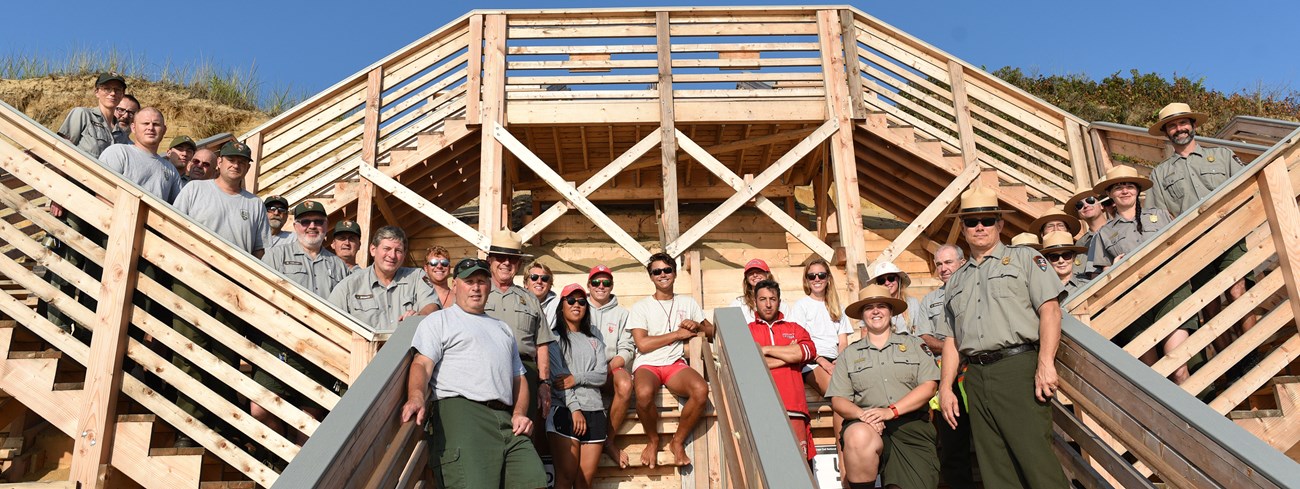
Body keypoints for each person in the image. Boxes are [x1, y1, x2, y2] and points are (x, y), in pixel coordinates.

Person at [936, 185, 1069, 489]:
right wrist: (945, 387)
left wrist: (1045, 362)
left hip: (1017, 367)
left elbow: (1050, 311)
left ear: (1000, 224)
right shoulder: (956, 280)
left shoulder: (1025, 259)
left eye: (986, 220)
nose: (979, 227)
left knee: (1036, 461)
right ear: (964, 228)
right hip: (975, 377)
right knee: (996, 469)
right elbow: (953, 339)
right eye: (971, 222)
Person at [401, 258, 548, 489]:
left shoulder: (503, 328)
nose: (476, 287)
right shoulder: (440, 320)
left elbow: (518, 378)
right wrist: (417, 396)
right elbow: (421, 364)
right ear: (455, 285)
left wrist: (519, 413)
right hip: (462, 414)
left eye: (481, 281)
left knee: (534, 481)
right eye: (469, 281)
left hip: (505, 419)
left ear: (489, 286)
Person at [169, 139, 269, 447]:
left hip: (233, 289)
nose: (235, 164)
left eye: (242, 161)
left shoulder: (254, 204)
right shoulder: (196, 190)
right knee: (189, 349)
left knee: (224, 355)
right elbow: (172, 228)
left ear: (248, 167)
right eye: (230, 159)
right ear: (220, 162)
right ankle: (189, 424)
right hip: (193, 282)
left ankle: (220, 423)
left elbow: (260, 250)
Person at [1146, 102, 1257, 345]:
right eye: (1172, 126)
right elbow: (1158, 216)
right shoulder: (1160, 173)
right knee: (1209, 304)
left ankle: (1252, 351)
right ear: (1166, 133)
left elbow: (1247, 186)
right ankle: (1232, 368)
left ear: (1193, 125)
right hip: (1192, 246)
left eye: (1183, 122)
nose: (1179, 129)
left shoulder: (1222, 155)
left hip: (1229, 234)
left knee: (1238, 290)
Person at [829, 284, 940, 489]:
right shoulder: (849, 354)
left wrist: (891, 412)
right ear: (862, 315)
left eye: (881, 306)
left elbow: (929, 387)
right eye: (869, 307)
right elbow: (838, 399)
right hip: (868, 425)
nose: (876, 311)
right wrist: (864, 416)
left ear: (890, 311)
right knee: (857, 435)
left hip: (910, 426)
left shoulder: (915, 345)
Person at [1092, 165, 1196, 382]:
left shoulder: (1159, 215)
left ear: (1138, 190)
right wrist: (1112, 270)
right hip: (1134, 303)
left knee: (1177, 366)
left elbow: (1180, 244)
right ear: (1110, 194)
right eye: (1118, 187)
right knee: (1152, 375)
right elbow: (1098, 275)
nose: (1124, 191)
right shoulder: (1103, 234)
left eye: (1129, 185)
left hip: (1170, 293)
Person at [258, 200, 349, 441]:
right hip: (281, 343)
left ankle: (291, 470)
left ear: (326, 226)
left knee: (308, 418)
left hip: (321, 349)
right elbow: (263, 294)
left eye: (318, 222)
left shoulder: (338, 265)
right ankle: (277, 456)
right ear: (296, 226)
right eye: (306, 222)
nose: (312, 227)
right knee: (260, 406)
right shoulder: (277, 255)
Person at [628, 252, 713, 468]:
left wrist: (698, 326)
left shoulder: (688, 301)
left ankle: (677, 442)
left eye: (667, 270)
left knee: (701, 390)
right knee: (644, 393)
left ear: (674, 273)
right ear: (651, 276)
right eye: (657, 271)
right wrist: (677, 335)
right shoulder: (641, 307)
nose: (662, 275)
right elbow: (643, 344)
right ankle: (653, 439)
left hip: (674, 364)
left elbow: (711, 331)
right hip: (648, 364)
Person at [911, 244, 975, 489]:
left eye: (948, 262)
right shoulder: (930, 300)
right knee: (952, 445)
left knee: (988, 441)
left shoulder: (975, 290)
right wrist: (951, 347)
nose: (943, 268)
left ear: (962, 262)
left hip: (976, 372)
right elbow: (924, 338)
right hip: (946, 379)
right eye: (939, 264)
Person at [483, 230, 555, 435]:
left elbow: (542, 345)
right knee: (489, 432)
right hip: (485, 370)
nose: (506, 263)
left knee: (523, 432)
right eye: (500, 257)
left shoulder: (531, 300)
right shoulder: (477, 293)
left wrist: (543, 383)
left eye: (512, 258)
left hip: (527, 371)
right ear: (490, 260)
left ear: (519, 264)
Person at [746, 279, 817, 461]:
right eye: (763, 299)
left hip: (794, 406)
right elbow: (748, 362)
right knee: (769, 466)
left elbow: (808, 351)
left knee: (799, 466)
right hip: (761, 410)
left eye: (773, 299)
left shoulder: (794, 329)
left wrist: (766, 350)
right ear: (755, 301)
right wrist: (789, 357)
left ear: (779, 300)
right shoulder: (746, 332)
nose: (768, 304)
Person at [546, 284, 608, 489]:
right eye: (570, 300)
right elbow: (558, 379)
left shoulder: (595, 342)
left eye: (582, 302)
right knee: (565, 478)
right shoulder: (553, 338)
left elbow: (601, 376)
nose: (576, 305)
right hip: (565, 410)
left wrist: (578, 377)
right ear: (561, 305)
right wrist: (575, 409)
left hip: (596, 412)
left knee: (584, 482)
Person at [328, 225, 439, 330]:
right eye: (387, 249)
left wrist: (420, 317)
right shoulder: (350, 285)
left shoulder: (417, 277)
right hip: (365, 349)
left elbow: (432, 305)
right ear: (373, 250)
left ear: (404, 254)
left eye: (398, 251)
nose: (392, 255)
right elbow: (329, 321)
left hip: (408, 349)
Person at [585, 264, 635, 468]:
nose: (601, 286)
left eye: (606, 282)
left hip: (609, 368)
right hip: (583, 368)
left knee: (624, 384)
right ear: (589, 285)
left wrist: (606, 369)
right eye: (596, 282)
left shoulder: (623, 314)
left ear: (611, 286)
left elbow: (627, 348)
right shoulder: (578, 306)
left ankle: (609, 440)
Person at [98, 107, 182, 203]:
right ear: (133, 128)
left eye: (156, 124)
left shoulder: (171, 170)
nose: (150, 128)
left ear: (164, 130)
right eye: (145, 123)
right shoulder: (118, 153)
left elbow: (176, 209)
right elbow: (102, 194)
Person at [57, 72, 128, 157]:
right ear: (97, 92)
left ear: (122, 94)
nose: (113, 93)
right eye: (107, 89)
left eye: (117, 90)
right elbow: (61, 147)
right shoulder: (82, 115)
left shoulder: (122, 134)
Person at [866, 261, 920, 335]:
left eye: (891, 278)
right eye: (881, 280)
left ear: (899, 279)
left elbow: (919, 331)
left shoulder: (912, 303)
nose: (887, 283)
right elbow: (865, 333)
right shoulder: (870, 307)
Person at [1065, 188, 1109, 279]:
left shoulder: (1118, 228)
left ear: (1101, 205)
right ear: (1078, 214)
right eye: (1079, 205)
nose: (1085, 205)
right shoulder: (1080, 244)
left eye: (1090, 200)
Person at [1042, 231, 1088, 296]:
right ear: (1047, 260)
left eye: (1066, 255)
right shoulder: (1040, 292)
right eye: (1054, 257)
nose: (1061, 261)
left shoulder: (1088, 287)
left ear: (1074, 257)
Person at [526, 260, 557, 329]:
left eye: (544, 278)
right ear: (526, 283)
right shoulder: (516, 303)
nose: (539, 281)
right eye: (534, 277)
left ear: (550, 285)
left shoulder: (558, 307)